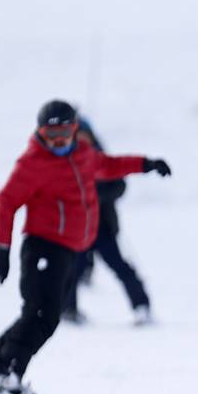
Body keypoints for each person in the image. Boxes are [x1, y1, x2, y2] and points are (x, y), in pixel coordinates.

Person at [0, 100, 171, 394]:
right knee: (42, 318)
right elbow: (5, 203)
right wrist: (1, 249)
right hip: (44, 248)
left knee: (35, 316)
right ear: (40, 133)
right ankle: (6, 376)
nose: (58, 141)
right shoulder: (32, 163)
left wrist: (146, 164)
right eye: (51, 135)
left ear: (76, 129)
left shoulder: (83, 154)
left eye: (65, 133)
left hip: (69, 251)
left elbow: (109, 166)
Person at [62, 118, 154, 326]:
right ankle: (68, 309)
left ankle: (142, 306)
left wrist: (96, 193)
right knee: (71, 270)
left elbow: (119, 186)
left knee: (120, 266)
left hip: (103, 229)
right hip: (78, 231)